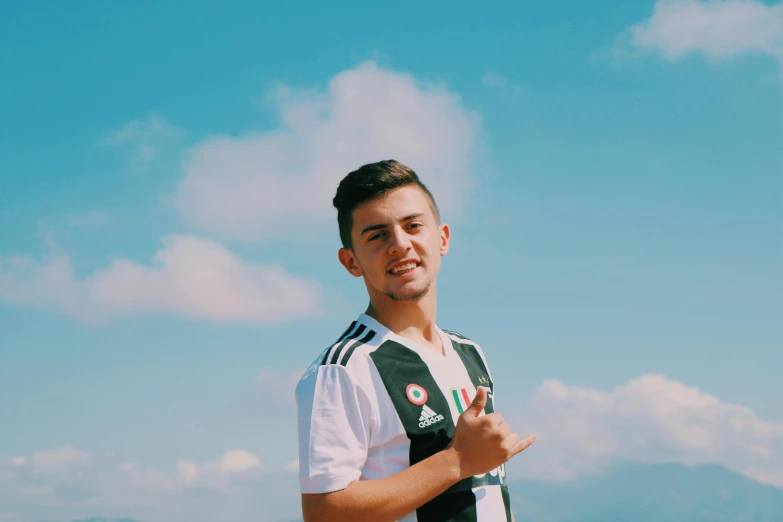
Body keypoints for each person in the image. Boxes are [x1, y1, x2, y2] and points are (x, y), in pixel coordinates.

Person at [295, 160, 536, 522]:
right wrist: (456, 461)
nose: (399, 244)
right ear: (351, 262)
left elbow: (483, 488)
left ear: (442, 238)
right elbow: (324, 512)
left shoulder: (469, 352)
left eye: (413, 226)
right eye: (377, 235)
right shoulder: (343, 368)